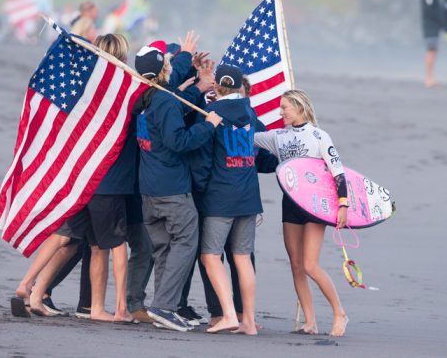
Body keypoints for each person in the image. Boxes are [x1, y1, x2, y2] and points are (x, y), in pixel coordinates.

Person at [12, 34, 137, 325]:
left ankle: (30, 284)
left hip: (82, 180)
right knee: (108, 246)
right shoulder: (123, 90)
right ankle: (108, 308)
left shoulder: (87, 87)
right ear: (122, 56)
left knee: (65, 237)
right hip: (108, 183)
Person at [135, 39, 222, 332]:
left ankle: (162, 306)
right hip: (170, 189)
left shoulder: (145, 97)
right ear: (163, 71)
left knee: (163, 249)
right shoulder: (165, 99)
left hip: (148, 188)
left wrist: (194, 76)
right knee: (186, 241)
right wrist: (208, 125)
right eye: (169, 64)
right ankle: (164, 306)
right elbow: (179, 141)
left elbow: (175, 103)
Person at [254, 89, 349, 337]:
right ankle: (310, 322)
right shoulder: (278, 136)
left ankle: (340, 314)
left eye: (284, 107)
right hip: (291, 205)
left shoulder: (319, 136)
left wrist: (343, 204)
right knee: (296, 265)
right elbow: (248, 137)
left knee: (309, 264)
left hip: (316, 206)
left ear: (298, 107)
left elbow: (338, 171)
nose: (280, 111)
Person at [193, 64, 263, 335]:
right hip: (248, 194)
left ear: (216, 88)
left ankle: (229, 315)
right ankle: (249, 320)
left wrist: (199, 189)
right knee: (242, 257)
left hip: (220, 195)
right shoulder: (250, 112)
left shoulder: (211, 113)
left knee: (210, 255)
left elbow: (203, 161)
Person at [420, 0, 444, 88]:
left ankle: (431, 78)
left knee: (433, 51)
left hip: (434, 25)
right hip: (430, 25)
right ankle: (429, 79)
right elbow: (429, 10)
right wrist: (440, 21)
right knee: (431, 51)